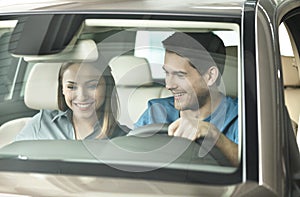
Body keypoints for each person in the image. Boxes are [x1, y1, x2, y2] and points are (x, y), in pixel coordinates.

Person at [134, 32, 238, 166]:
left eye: (180, 75)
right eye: (167, 73)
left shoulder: (240, 117)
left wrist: (215, 136)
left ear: (210, 76)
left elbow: (257, 167)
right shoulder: (155, 112)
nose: (169, 85)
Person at [15, 61, 128, 140]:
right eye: (71, 87)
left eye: (92, 86)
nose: (82, 96)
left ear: (107, 88)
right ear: (62, 89)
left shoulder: (123, 138)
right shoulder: (42, 123)